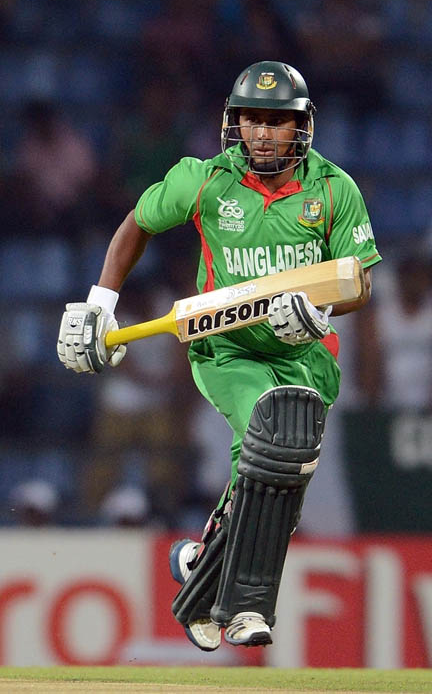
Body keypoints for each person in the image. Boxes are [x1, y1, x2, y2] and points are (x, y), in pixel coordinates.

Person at [57, 61, 380, 651]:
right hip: (226, 348)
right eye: (252, 120)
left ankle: (201, 565)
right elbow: (137, 222)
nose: (262, 133)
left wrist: (325, 311)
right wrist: (102, 301)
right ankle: (248, 608)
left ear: (301, 126)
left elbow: (360, 283)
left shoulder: (335, 189)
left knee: (281, 473)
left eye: (276, 122)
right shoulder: (204, 180)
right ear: (234, 123)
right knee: (273, 428)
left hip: (306, 352)